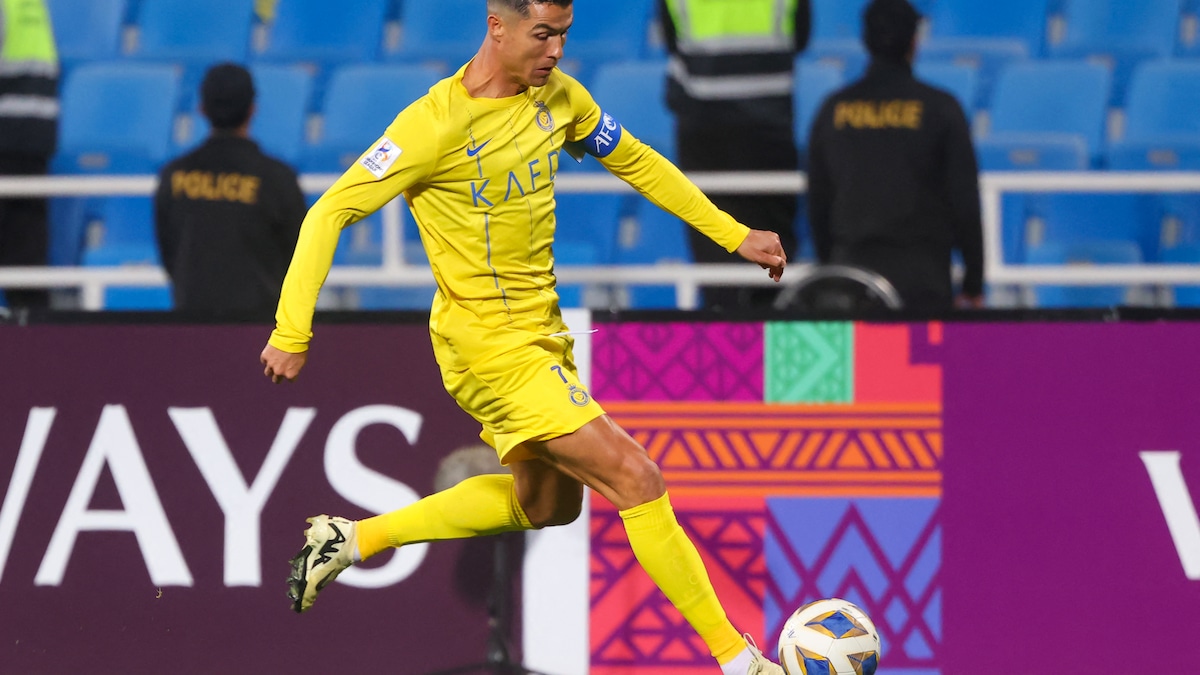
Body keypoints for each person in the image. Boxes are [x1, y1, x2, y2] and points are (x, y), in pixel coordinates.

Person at [259, 1, 789, 673]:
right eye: (542, 34)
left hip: (543, 334)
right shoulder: (432, 125)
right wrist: (292, 329)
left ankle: (353, 538)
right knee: (636, 476)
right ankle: (740, 660)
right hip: (486, 344)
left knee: (546, 505)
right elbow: (330, 211)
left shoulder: (560, 98)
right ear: (497, 25)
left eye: (563, 35)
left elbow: (638, 162)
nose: (555, 51)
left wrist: (732, 234)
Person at [806, 0, 984, 313]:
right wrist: (973, 282)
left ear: (865, 41)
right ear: (915, 42)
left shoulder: (833, 109)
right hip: (923, 280)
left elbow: (817, 200)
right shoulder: (941, 108)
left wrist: (830, 267)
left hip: (851, 278)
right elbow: (965, 200)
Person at [658, 0, 810, 311]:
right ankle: (774, 321)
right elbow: (801, 37)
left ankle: (722, 326)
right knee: (772, 245)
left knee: (713, 238)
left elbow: (671, 40)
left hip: (704, 126)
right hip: (768, 122)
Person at [154, 63, 306, 319]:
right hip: (260, 326)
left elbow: (169, 251)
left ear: (201, 109)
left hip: (191, 324)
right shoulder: (277, 178)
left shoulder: (174, 175)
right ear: (253, 109)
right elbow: (299, 254)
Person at [0, 0, 58, 311]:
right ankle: (35, 337)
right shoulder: (31, 4)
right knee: (26, 259)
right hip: (34, 142)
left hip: (5, 140)